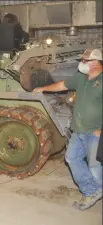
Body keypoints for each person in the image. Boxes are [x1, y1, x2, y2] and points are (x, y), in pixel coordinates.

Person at [33, 48, 102, 210]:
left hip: (95, 132)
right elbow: (62, 85)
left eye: (85, 60)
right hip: (78, 130)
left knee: (95, 166)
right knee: (71, 158)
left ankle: (94, 192)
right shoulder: (81, 77)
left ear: (96, 63)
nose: (81, 63)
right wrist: (44, 88)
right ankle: (92, 191)